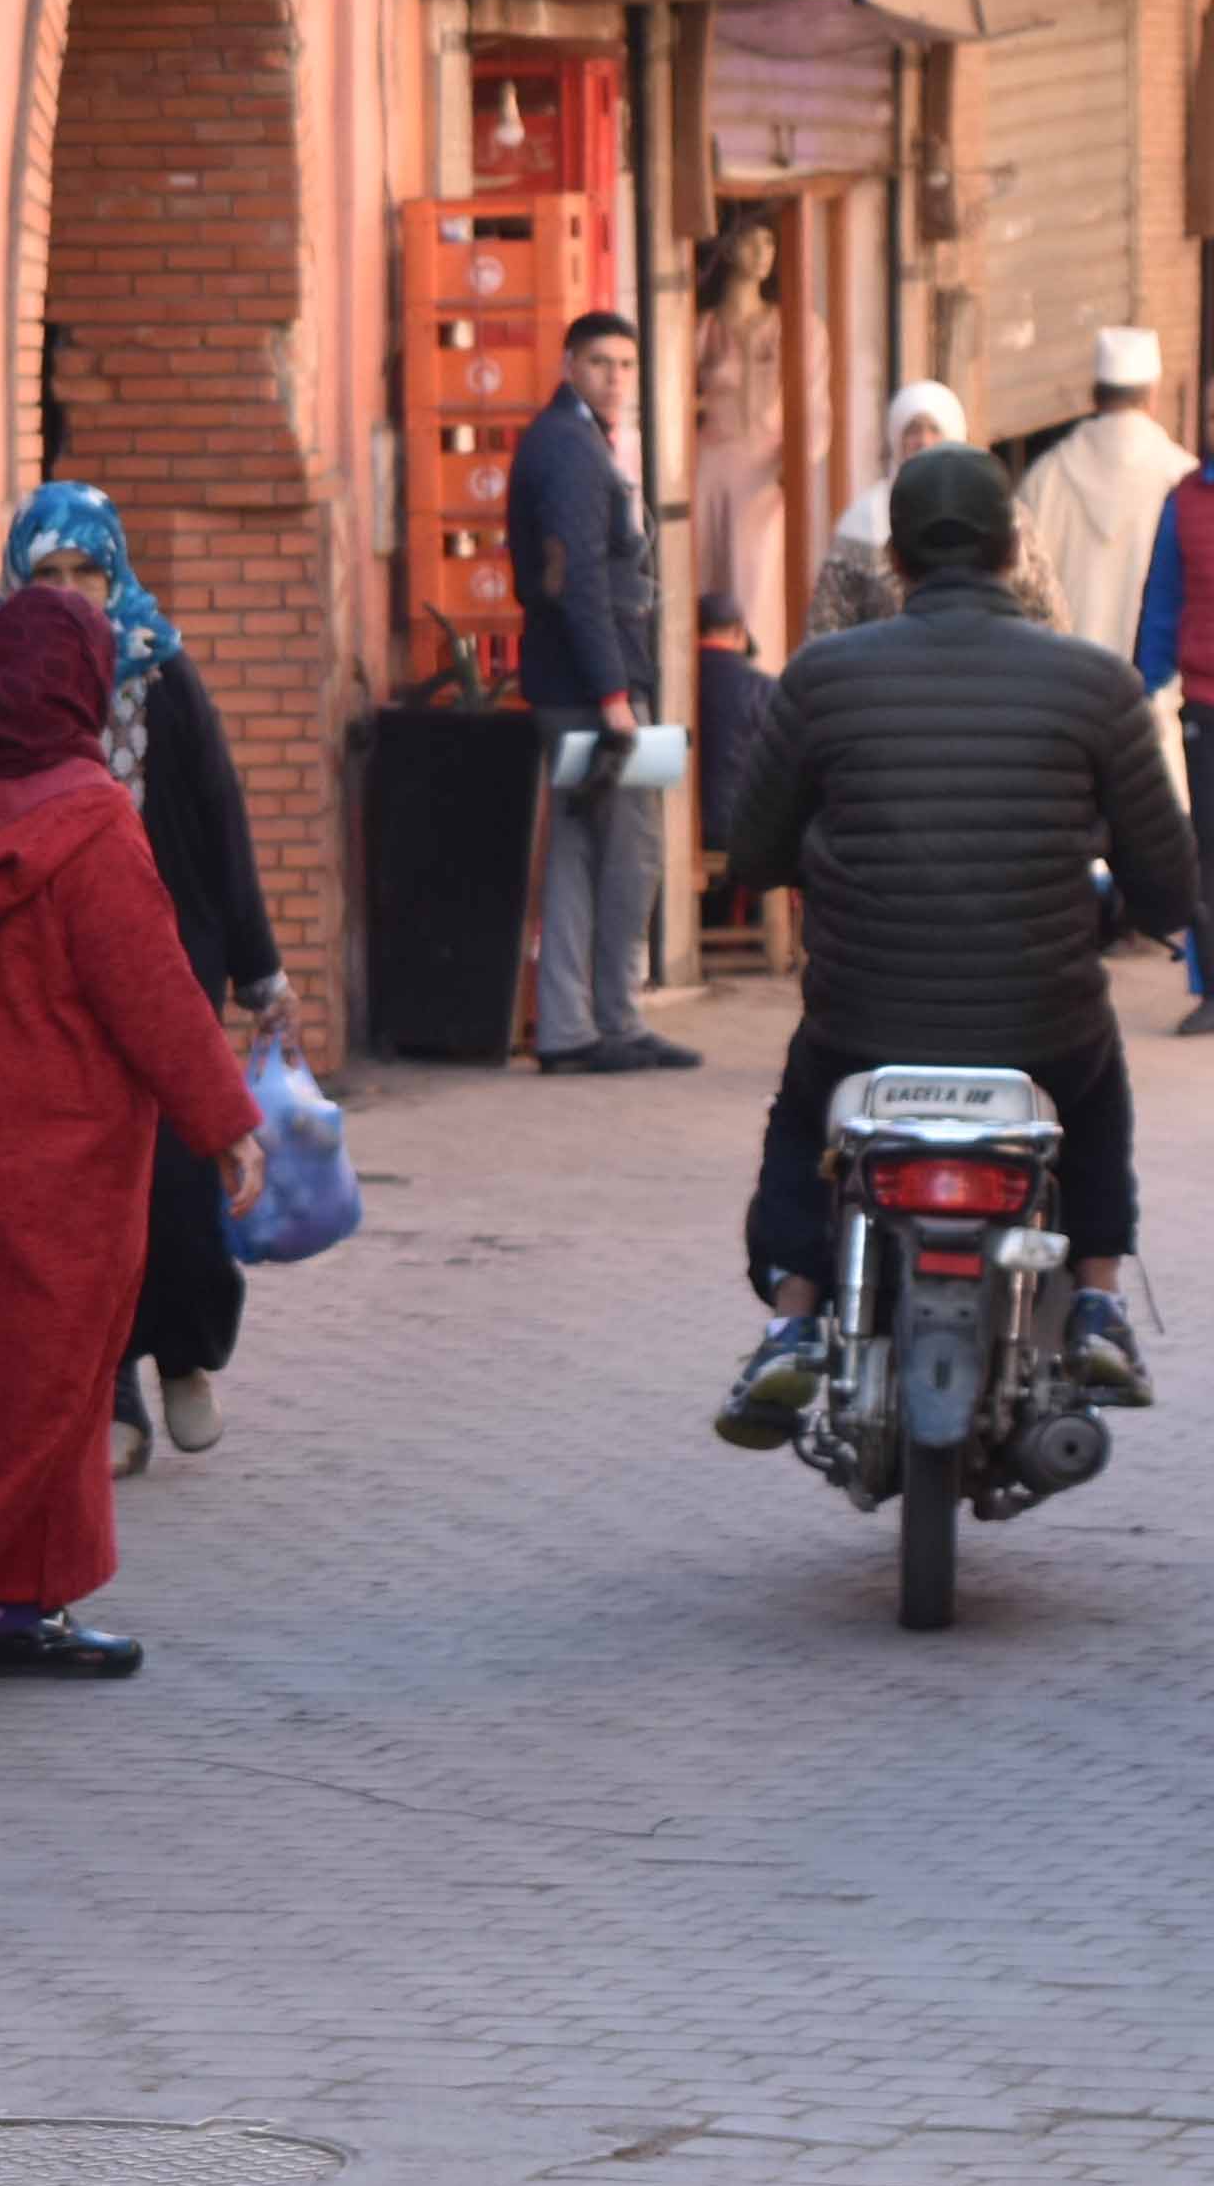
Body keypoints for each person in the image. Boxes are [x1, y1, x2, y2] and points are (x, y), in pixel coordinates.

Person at [710, 446, 1196, 1443]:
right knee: (1096, 1092)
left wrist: (825, 860)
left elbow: (752, 848)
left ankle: (795, 1324)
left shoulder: (823, 678)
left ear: (893, 556)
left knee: (806, 1119)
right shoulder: (1096, 685)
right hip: (1043, 1025)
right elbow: (1172, 883)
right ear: (1017, 549)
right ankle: (1098, 1296)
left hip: (863, 1021)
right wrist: (1139, 908)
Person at [0, 586, 266, 1680]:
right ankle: (7, 1606)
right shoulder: (91, 825)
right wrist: (227, 1128)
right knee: (50, 1381)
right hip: (55, 1167)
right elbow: (156, 995)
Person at [0, 487, 286, 1470]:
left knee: (176, 1188)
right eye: (50, 575)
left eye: (87, 572)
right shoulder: (6, 686)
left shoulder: (164, 676)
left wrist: (258, 966)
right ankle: (111, 1386)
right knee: (84, 1198)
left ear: (115, 573)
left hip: (171, 965)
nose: (71, 594)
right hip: (56, 986)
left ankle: (186, 1357)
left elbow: (221, 821)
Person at [508, 306, 692, 1074]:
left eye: (625, 365)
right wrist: (616, 696)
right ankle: (608, 1021)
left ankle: (577, 1027)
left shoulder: (575, 441)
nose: (615, 379)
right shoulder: (571, 450)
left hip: (584, 679)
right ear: (569, 367)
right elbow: (576, 580)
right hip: (597, 686)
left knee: (586, 846)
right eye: (599, 364)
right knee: (633, 846)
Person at [1018, 327, 1196, 661]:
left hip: (1066, 688)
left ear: (1094, 396)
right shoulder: (1183, 477)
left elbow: (1018, 590)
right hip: (1152, 698)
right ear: (1152, 397)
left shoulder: (1046, 476)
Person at [808, 380, 996, 641]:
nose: (923, 440)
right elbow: (826, 623)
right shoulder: (863, 520)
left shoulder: (991, 509)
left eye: (934, 429)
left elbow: (1039, 607)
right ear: (897, 438)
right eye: (913, 430)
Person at [1135, 444, 1214, 1037]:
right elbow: (1164, 601)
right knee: (1208, 849)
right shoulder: (1186, 501)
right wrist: (1141, 687)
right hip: (1205, 705)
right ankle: (1212, 987)